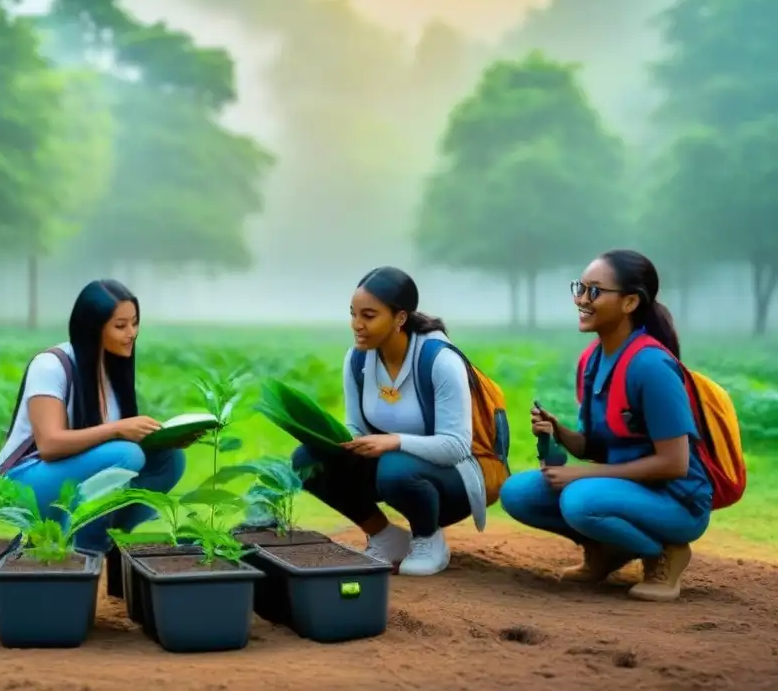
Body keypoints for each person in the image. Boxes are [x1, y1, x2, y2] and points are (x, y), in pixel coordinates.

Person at [499, 249, 713, 602]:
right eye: (578, 288)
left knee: (581, 500)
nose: (581, 299)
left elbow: (675, 463)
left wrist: (582, 475)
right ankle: (606, 550)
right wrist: (562, 433)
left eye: (594, 291)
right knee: (518, 493)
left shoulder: (651, 366)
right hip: (625, 491)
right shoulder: (590, 361)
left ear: (629, 302)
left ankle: (664, 553)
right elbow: (597, 446)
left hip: (676, 501)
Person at [292, 266, 488, 576]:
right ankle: (386, 537)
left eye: (369, 316)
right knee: (307, 458)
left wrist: (394, 441)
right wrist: (329, 439)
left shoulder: (441, 360)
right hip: (390, 467)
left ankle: (429, 539)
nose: (357, 325)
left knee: (394, 467)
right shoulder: (357, 359)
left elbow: (457, 446)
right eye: (353, 314)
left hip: (452, 480)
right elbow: (356, 426)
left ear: (400, 318)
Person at [0, 279, 186, 552]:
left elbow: (105, 444)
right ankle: (86, 549)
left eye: (135, 322)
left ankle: (113, 539)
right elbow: (49, 444)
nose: (132, 333)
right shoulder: (51, 365)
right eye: (120, 326)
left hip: (70, 475)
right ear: (94, 328)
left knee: (170, 459)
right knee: (127, 456)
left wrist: (170, 438)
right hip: (22, 482)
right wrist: (118, 429)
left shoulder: (112, 369)